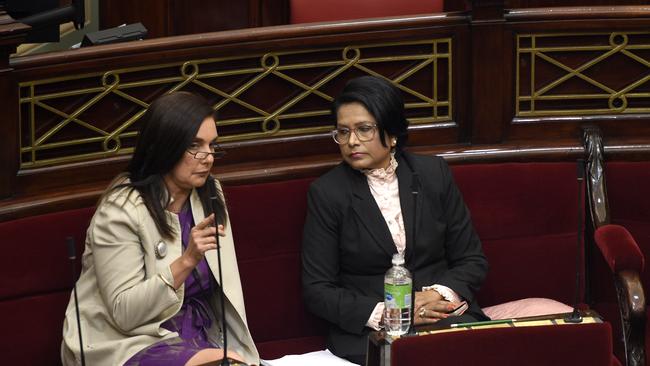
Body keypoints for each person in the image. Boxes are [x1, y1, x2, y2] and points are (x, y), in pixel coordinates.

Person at [61, 92, 259, 366]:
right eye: (195, 146)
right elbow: (125, 314)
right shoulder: (120, 211)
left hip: (196, 332)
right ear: (167, 146)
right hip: (126, 341)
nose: (209, 157)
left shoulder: (210, 194)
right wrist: (186, 261)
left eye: (213, 145)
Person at [301, 76, 489, 364]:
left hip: (443, 316)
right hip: (372, 332)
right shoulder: (327, 193)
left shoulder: (433, 174)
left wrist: (435, 295)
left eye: (364, 130)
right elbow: (317, 290)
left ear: (392, 134)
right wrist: (393, 312)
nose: (352, 141)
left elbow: (472, 259)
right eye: (343, 132)